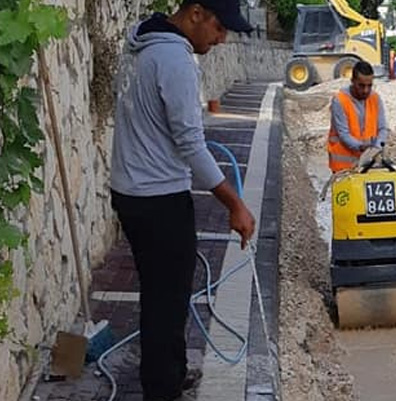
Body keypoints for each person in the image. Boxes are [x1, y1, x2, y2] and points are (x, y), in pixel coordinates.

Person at [108, 1, 255, 400]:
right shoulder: (174, 59)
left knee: (164, 292)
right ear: (195, 13)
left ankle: (169, 375)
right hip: (158, 198)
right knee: (167, 299)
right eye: (219, 28)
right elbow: (190, 143)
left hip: (131, 190)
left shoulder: (141, 44)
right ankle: (162, 389)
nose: (222, 39)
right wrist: (234, 204)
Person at [327, 60, 390, 173]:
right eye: (361, 86)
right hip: (343, 166)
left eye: (369, 86)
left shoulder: (375, 98)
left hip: (368, 165)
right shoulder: (340, 100)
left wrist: (376, 148)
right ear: (353, 81)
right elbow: (343, 134)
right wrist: (363, 148)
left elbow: (382, 128)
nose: (365, 90)